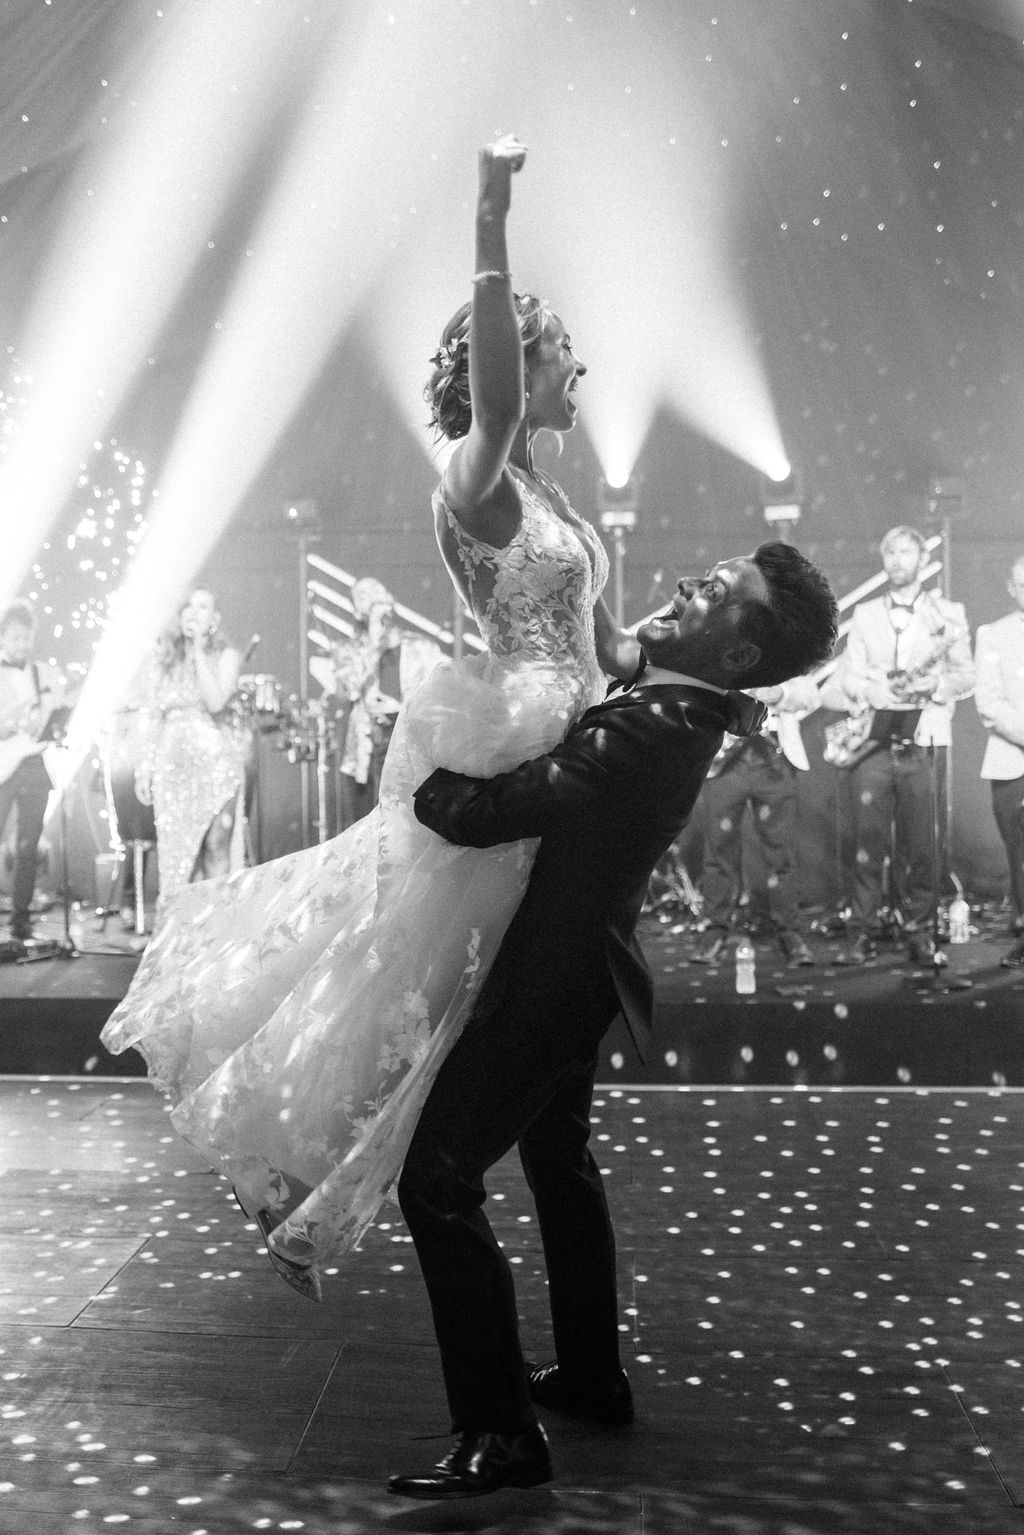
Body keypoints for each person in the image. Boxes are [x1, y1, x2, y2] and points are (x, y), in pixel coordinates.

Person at [100, 135, 636, 1302]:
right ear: (514, 366)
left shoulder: (552, 497)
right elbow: (494, 392)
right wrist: (489, 218)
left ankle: (584, 1354)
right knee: (407, 994)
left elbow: (617, 650)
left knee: (521, 1061)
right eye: (565, 357)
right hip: (515, 758)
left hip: (571, 757)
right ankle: (310, 1171)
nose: (579, 374)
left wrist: (717, 684)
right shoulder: (476, 478)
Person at [388, 543, 839, 1501]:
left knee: (436, 1178)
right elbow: (620, 653)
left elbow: (494, 810)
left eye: (715, 592)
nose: (688, 583)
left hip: (554, 980)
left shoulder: (663, 724)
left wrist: (420, 770)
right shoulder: (680, 697)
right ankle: (592, 1374)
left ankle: (501, 1433)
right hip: (589, 969)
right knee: (559, 1160)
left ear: (738, 655)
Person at [832, 526, 973, 965]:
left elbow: (966, 676)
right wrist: (869, 691)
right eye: (889, 551)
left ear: (921, 558)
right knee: (866, 843)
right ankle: (863, 930)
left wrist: (937, 683)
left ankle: (919, 931)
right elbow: (849, 676)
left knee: (923, 846)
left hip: (924, 738)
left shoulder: (948, 613)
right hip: (873, 741)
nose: (896, 560)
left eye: (905, 551)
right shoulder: (867, 613)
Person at [691, 672, 821, 966]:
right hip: (725, 763)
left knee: (781, 853)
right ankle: (715, 930)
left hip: (774, 759)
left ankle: (788, 932)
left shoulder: (787, 645)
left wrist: (780, 694)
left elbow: (811, 694)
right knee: (718, 851)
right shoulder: (719, 643)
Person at [132, 587, 248, 911]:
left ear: (215, 618)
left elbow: (215, 702)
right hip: (172, 766)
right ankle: (178, 933)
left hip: (215, 764)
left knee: (215, 846)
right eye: (189, 607)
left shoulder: (226, 655)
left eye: (203, 607)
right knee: (176, 855)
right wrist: (145, 768)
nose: (194, 613)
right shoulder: (163, 661)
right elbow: (152, 716)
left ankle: (217, 927)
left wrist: (197, 651)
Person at [312, 577, 442, 829]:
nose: (373, 601)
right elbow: (349, 689)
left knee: (403, 824)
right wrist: (374, 642)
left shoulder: (420, 647)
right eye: (363, 597)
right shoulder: (348, 650)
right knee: (363, 825)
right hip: (365, 745)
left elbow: (436, 697)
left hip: (406, 742)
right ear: (356, 611)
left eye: (377, 593)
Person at [0, 601, 67, 943]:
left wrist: (57, 711)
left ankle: (21, 919)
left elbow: (55, 718)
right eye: (15, 637)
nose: (22, 644)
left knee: (28, 848)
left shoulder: (44, 671)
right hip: (3, 765)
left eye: (26, 638)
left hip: (34, 766)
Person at [974, 553, 1024, 967]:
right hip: (1013, 762)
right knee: (1020, 855)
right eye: (1022, 585)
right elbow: (989, 704)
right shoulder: (992, 635)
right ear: (1011, 589)